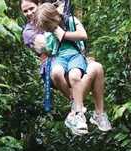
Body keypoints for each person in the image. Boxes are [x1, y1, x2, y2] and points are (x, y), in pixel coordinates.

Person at [20, 0, 112, 135]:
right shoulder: (30, 30)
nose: (29, 13)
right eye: (25, 11)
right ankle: (76, 108)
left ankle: (90, 113)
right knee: (60, 73)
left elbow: (79, 36)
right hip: (55, 65)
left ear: (39, 5)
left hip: (73, 59)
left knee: (95, 68)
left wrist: (60, 23)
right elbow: (44, 46)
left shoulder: (62, 18)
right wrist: (54, 29)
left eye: (31, 8)